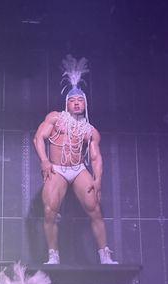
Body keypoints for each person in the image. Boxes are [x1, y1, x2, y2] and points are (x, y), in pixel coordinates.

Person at [33, 55, 118, 264]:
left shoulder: (90, 131)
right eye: (73, 100)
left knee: (94, 207)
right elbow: (38, 138)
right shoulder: (55, 118)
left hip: (78, 168)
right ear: (67, 103)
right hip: (57, 168)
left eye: (80, 100)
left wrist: (97, 179)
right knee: (50, 210)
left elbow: (96, 158)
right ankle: (53, 254)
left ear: (85, 104)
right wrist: (44, 160)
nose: (77, 103)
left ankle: (104, 254)